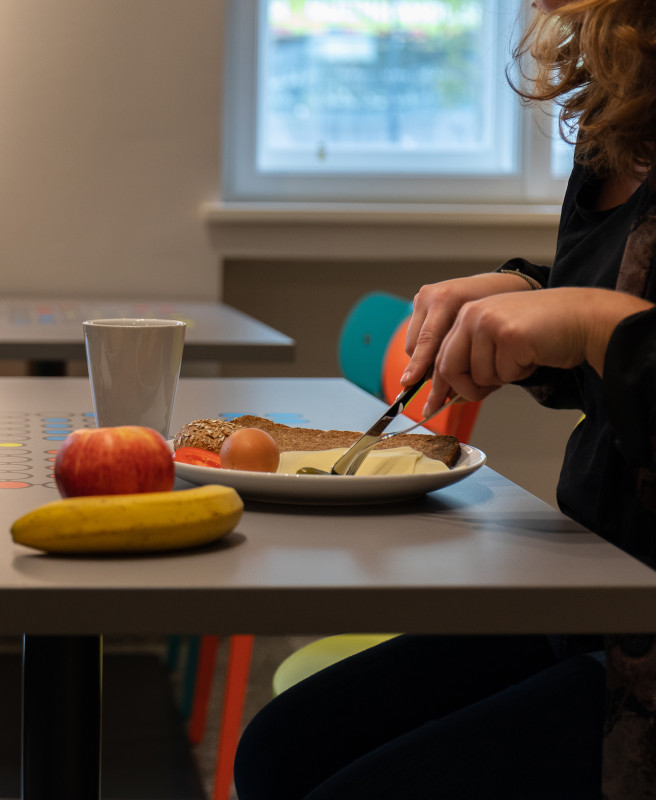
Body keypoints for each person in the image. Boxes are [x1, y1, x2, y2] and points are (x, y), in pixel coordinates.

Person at [234, 0, 656, 797]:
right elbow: (615, 337)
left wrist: (594, 320)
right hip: (592, 589)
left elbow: (623, 331)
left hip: (641, 642)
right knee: (280, 751)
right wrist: (533, 294)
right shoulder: (618, 105)